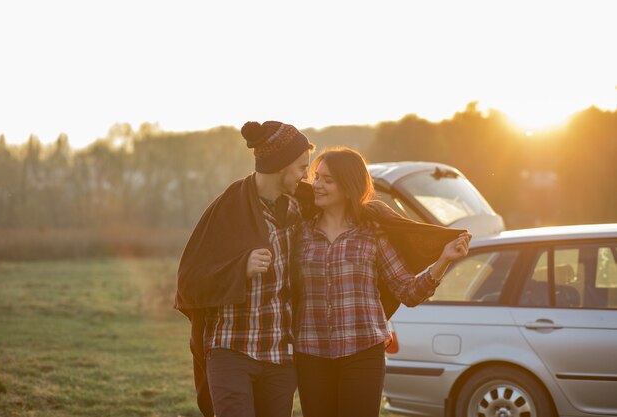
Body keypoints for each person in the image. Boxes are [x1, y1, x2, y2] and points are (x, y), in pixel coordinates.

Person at [292, 147, 471, 417]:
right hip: (311, 354)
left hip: (362, 354)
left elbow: (408, 292)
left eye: (327, 180)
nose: (317, 185)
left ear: (349, 186)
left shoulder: (372, 234)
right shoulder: (301, 233)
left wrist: (444, 259)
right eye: (317, 177)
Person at [175, 121, 316, 417]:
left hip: (280, 356)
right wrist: (241, 267)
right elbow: (189, 282)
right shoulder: (228, 207)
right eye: (303, 166)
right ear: (281, 165)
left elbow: (351, 208)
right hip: (232, 351)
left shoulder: (303, 206)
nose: (307, 174)